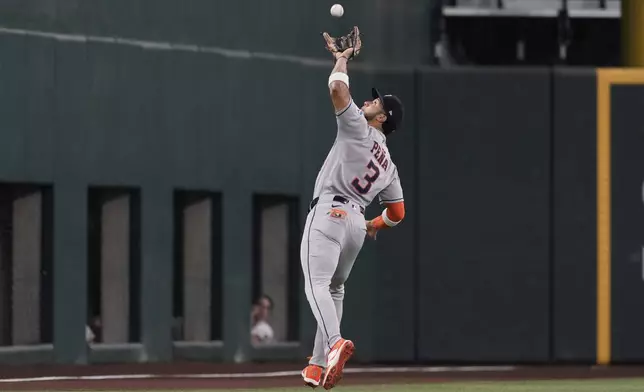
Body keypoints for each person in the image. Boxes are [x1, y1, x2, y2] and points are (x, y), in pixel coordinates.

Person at [300, 27, 406, 390]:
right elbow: (398, 213)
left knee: (315, 284)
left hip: (330, 213)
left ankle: (333, 345)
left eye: (377, 103)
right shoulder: (389, 165)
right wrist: (376, 223)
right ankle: (316, 366)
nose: (370, 102)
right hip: (356, 226)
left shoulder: (359, 128)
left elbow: (336, 89)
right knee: (335, 290)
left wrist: (342, 59)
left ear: (382, 118)